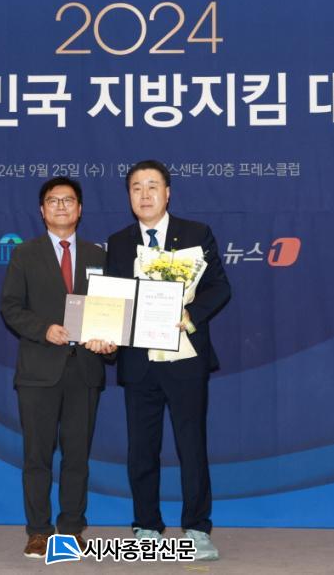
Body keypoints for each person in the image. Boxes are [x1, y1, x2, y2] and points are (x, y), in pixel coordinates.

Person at [106, 160, 231, 561]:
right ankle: (146, 526)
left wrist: (191, 314)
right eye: (136, 188)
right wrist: (106, 333)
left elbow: (219, 287)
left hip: (184, 357)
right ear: (129, 196)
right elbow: (113, 300)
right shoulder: (119, 242)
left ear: (168, 192)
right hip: (138, 361)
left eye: (152, 186)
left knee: (191, 446)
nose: (144, 195)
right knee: (141, 449)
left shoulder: (196, 233)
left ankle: (196, 528)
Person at [0, 177, 115, 559]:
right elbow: (10, 307)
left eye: (68, 200)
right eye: (53, 200)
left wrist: (109, 342)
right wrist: (43, 329)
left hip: (85, 370)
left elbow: (113, 309)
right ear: (42, 210)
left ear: (80, 209)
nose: (61, 206)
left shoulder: (99, 255)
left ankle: (70, 529)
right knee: (37, 457)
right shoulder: (25, 254)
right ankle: (38, 531)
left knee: (77, 457)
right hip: (39, 371)